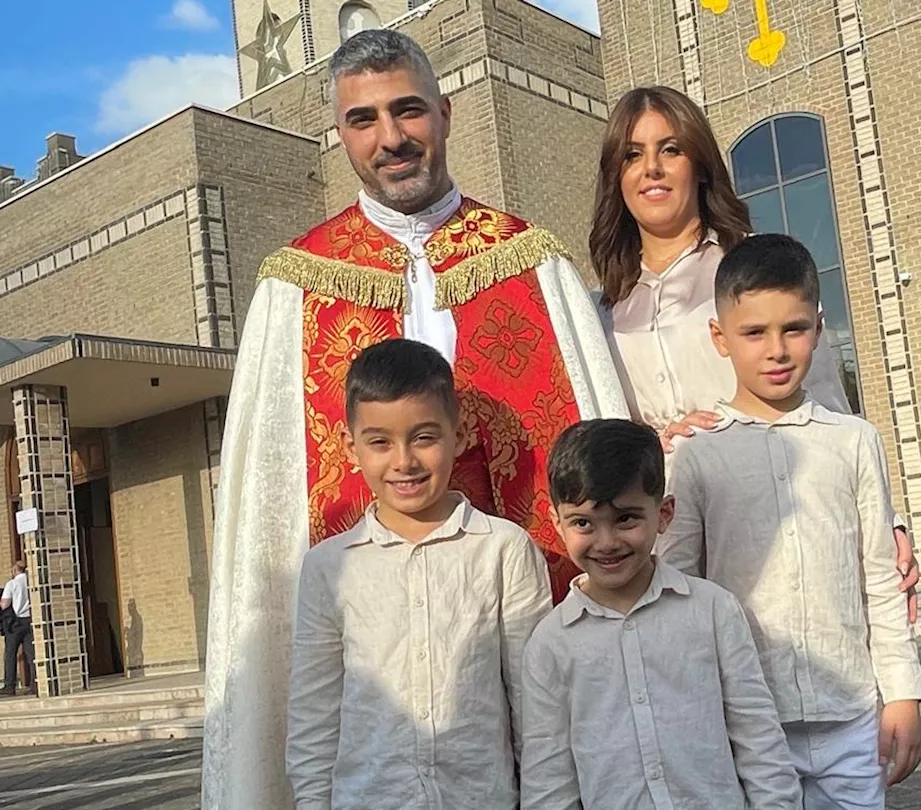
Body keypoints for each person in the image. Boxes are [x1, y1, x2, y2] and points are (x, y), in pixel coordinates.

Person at [203, 29, 626, 809]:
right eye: (364, 120)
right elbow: (266, 520)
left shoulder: (533, 263)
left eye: (408, 112)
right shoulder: (293, 286)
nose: (391, 139)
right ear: (341, 136)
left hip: (516, 609)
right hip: (374, 676)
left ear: (445, 113)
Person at [589, 84, 920, 621]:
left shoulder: (751, 270)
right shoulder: (600, 306)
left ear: (698, 164)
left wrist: (888, 521)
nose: (652, 168)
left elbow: (830, 408)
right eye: (633, 155)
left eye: (669, 149)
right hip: (659, 529)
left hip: (767, 505)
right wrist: (651, 442)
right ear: (616, 176)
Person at [661, 234, 921, 807]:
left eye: (794, 328)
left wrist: (903, 691)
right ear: (720, 337)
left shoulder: (855, 441)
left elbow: (878, 577)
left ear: (819, 326)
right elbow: (678, 587)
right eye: (754, 332)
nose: (776, 350)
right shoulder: (697, 452)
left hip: (852, 713)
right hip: (747, 718)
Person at [287, 339, 552, 809]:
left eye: (424, 437)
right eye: (380, 442)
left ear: (459, 433)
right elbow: (314, 716)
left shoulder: (503, 550)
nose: (404, 461)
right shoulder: (329, 567)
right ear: (351, 446)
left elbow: (535, 708)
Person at [521, 419, 800, 809]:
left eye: (626, 519)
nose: (607, 542)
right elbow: (549, 779)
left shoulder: (712, 610)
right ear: (558, 524)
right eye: (583, 523)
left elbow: (758, 739)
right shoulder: (550, 644)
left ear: (664, 513)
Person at [1, 559, 35, 697]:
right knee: (31, 654)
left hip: (15, 623)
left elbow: (4, 604)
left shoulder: (12, 583)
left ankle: (10, 686)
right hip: (30, 620)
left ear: (15, 570)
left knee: (10, 653)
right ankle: (35, 684)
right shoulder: (31, 581)